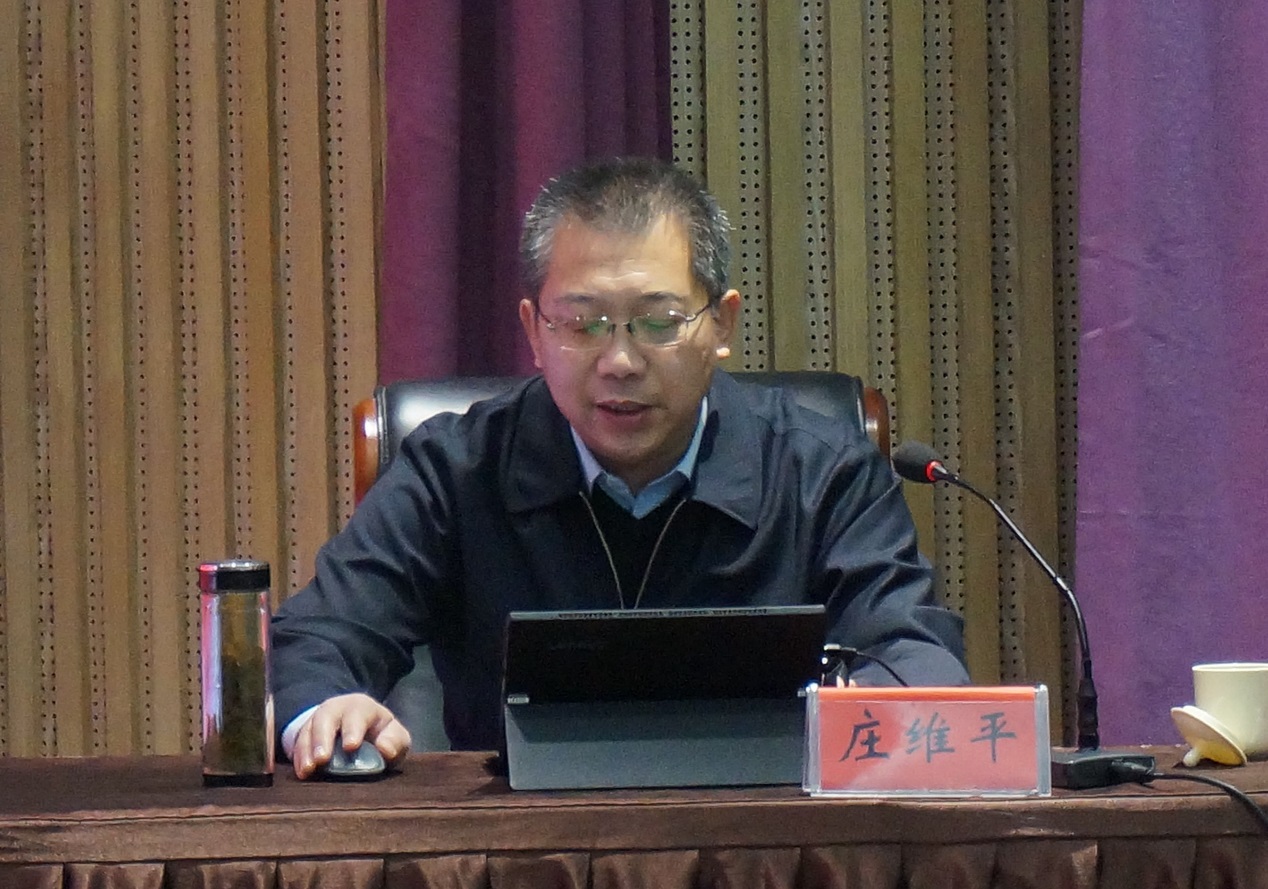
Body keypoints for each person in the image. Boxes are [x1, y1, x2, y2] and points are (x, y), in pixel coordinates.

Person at [271, 157, 969, 779]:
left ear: (721, 325)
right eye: (584, 325)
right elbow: (317, 638)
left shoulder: (821, 471)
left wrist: (886, 707)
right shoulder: (456, 470)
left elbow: (911, 648)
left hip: (769, 843)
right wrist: (326, 712)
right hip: (516, 847)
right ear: (534, 331)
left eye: (659, 321)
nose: (621, 361)